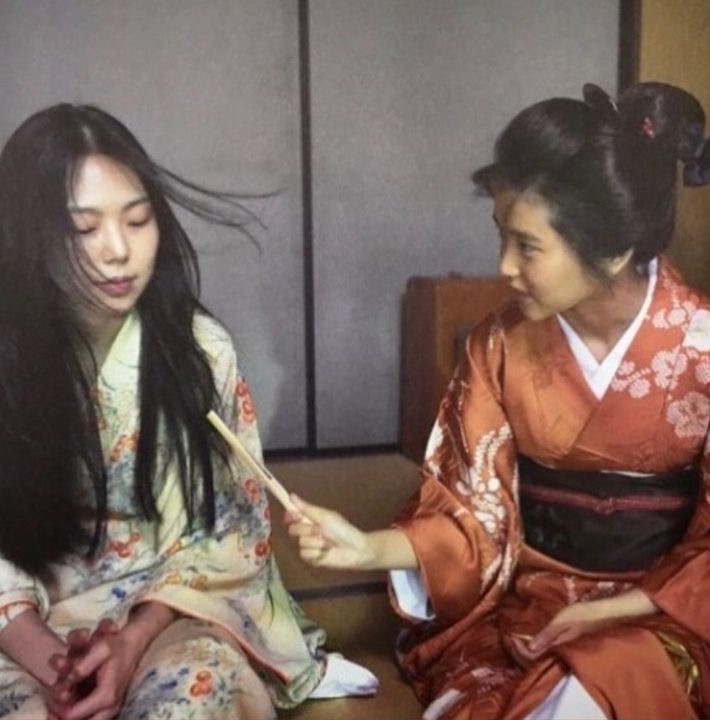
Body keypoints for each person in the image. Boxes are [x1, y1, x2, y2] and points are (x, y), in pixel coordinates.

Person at [286, 81, 710, 720]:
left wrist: (618, 609)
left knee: (598, 691)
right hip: (526, 608)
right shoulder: (498, 346)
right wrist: (368, 549)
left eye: (528, 246)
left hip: (660, 615)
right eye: (502, 237)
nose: (504, 266)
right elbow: (471, 514)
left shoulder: (702, 349)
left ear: (614, 249)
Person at [0, 104, 375, 720]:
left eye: (138, 219)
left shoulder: (198, 351)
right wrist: (62, 668)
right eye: (84, 228)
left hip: (166, 615)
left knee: (196, 697)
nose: (119, 251)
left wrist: (130, 642)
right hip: (20, 632)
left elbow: (229, 532)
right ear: (31, 236)